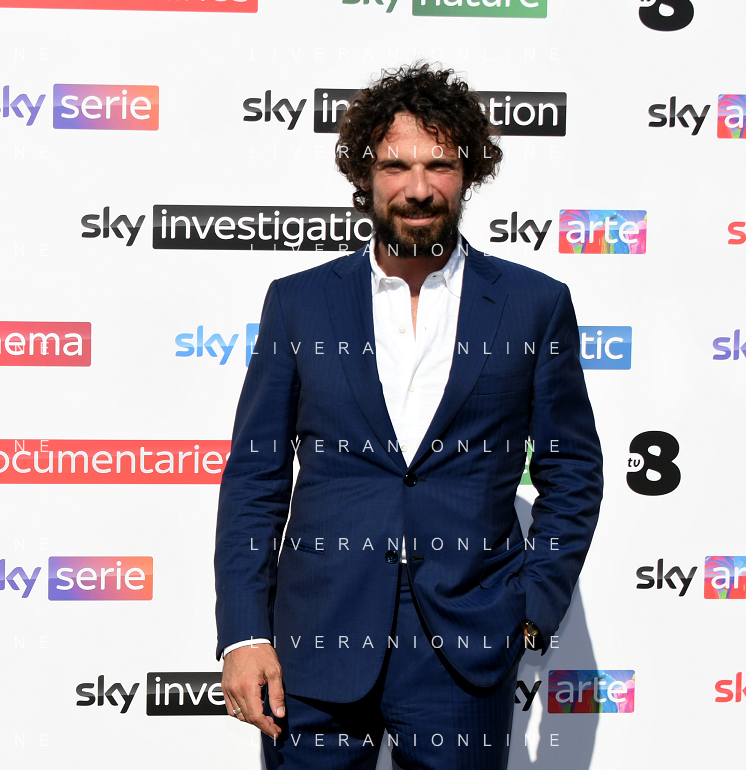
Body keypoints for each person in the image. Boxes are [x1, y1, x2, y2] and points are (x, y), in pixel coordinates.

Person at [213, 63, 603, 770]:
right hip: (315, 645)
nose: (418, 187)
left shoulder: (532, 305)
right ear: (363, 175)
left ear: (469, 173)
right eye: (395, 165)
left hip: (464, 650)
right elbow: (254, 477)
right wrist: (244, 633)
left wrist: (530, 607)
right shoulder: (299, 303)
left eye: (439, 165)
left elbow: (571, 468)